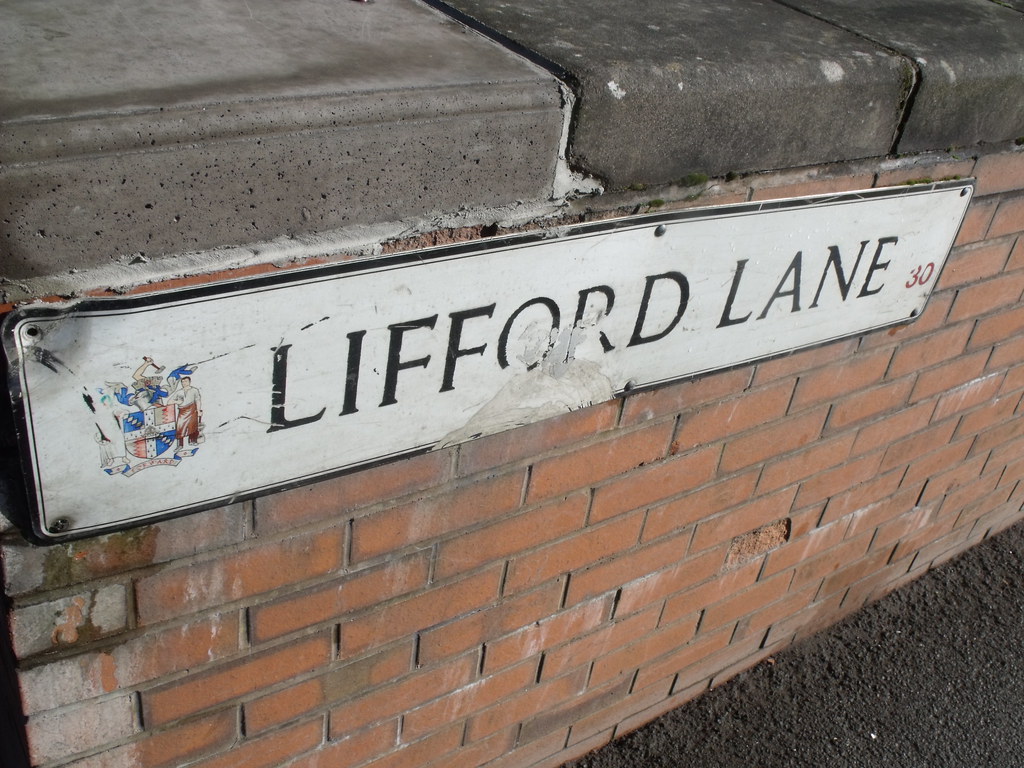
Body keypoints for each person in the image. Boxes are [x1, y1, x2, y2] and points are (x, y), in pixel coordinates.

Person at [168, 375, 202, 449]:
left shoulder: (194, 390)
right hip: (182, 411)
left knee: (193, 425)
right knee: (180, 427)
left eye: (186, 381)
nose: (184, 383)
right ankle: (180, 445)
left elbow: (198, 400)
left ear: (189, 382)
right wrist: (177, 401)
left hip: (192, 409)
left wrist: (199, 410)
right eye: (182, 382)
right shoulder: (179, 392)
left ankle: (192, 441)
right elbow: (169, 401)